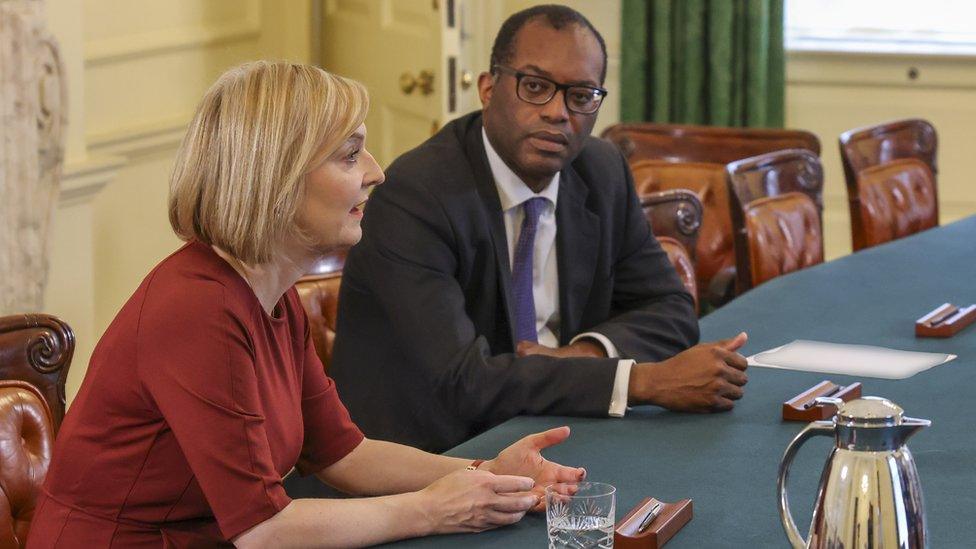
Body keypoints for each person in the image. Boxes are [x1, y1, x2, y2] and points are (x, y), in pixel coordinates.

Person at [26, 61, 586, 548]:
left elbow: (344, 454)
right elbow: (265, 531)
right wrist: (431, 509)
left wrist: (484, 472)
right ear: (275, 180)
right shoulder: (196, 309)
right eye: (349, 156)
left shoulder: (270, 292)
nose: (376, 172)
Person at [330, 4, 750, 453]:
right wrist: (639, 381)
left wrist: (582, 355)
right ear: (488, 89)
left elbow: (670, 307)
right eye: (535, 87)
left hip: (559, 430)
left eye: (581, 95)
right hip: (430, 456)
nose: (557, 112)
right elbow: (463, 382)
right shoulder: (418, 195)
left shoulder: (600, 170)